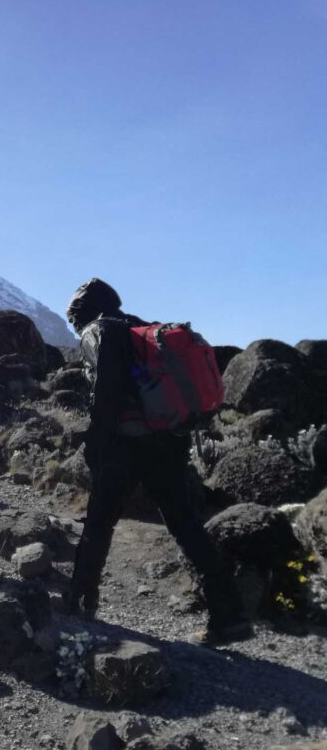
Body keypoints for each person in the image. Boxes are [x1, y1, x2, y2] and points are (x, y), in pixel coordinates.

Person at [64, 277, 252, 646]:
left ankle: (79, 602)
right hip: (168, 443)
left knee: (99, 524)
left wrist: (95, 444)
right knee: (186, 526)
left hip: (124, 445)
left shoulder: (98, 330)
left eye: (75, 319)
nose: (75, 327)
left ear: (84, 312)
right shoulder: (140, 327)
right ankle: (230, 617)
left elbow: (107, 390)